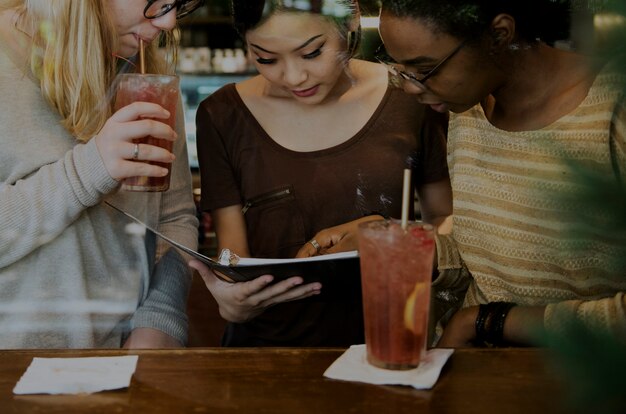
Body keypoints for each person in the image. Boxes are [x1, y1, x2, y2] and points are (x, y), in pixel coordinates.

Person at [190, 0, 452, 346]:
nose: (294, 77)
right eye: (266, 58)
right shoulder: (222, 114)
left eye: (312, 53)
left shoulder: (409, 97)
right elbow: (232, 254)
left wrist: (387, 235)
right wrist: (230, 294)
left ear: (351, 24)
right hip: (266, 354)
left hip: (387, 344)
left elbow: (448, 223)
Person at [378, 0, 626, 347]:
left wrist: (487, 323)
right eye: (400, 69)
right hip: (479, 376)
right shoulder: (469, 109)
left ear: (499, 35)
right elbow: (491, 263)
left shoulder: (612, 109)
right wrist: (407, 249)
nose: (410, 87)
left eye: (426, 69)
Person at [0, 0, 203, 348]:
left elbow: (175, 216)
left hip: (123, 363)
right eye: (157, 2)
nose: (168, 22)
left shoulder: (147, 76)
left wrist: (161, 320)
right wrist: (91, 169)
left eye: (178, 4)